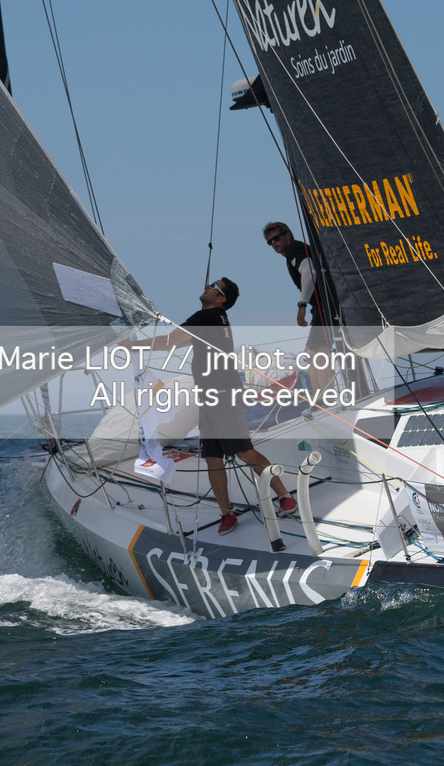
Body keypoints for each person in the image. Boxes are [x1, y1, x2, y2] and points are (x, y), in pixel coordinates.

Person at [140, 276, 296, 535]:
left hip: (222, 394)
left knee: (244, 452)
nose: (206, 286)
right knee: (213, 458)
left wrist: (132, 346)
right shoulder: (215, 320)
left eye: (213, 286)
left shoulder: (208, 317)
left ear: (221, 298)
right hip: (211, 396)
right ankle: (227, 514)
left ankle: (284, 497)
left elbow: (169, 342)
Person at [263, 221, 342, 393]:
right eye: (270, 242)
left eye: (276, 238)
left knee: (319, 352)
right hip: (323, 306)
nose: (274, 243)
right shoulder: (295, 251)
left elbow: (309, 272)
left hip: (326, 306)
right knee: (311, 352)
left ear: (288, 236)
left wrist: (302, 305)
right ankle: (320, 398)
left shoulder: (294, 250)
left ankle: (326, 398)